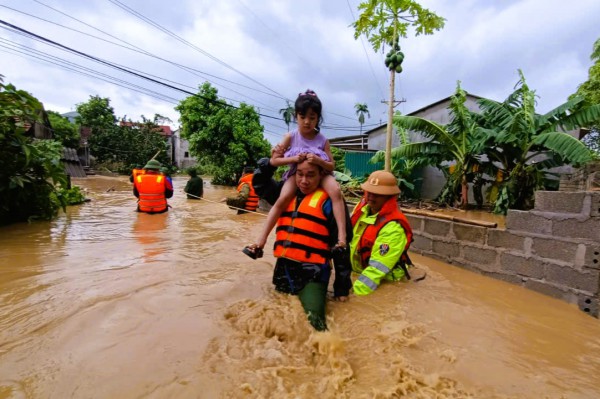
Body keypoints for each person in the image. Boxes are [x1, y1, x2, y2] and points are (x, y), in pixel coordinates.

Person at [244, 159, 352, 331]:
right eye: (300, 174)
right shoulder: (284, 193)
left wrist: (341, 288)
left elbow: (342, 249)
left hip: (313, 272)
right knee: (277, 317)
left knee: (315, 324)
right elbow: (260, 183)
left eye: (311, 175)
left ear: (322, 175)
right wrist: (271, 163)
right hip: (284, 268)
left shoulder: (330, 202)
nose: (304, 181)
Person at [250, 89, 347, 254]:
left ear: (318, 119)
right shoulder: (290, 137)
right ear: (296, 116)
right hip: (297, 173)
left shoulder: (323, 140)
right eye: (303, 117)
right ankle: (260, 241)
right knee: (283, 199)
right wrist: (294, 159)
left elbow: (331, 166)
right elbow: (274, 161)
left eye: (312, 118)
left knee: (336, 191)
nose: (307, 122)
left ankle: (342, 239)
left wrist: (318, 161)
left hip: (320, 175)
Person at [349, 170, 418, 296]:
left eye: (377, 194)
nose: (370, 197)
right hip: (359, 271)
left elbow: (375, 271)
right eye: (369, 192)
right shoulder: (363, 208)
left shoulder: (393, 229)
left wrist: (353, 295)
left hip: (385, 282)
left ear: (390, 197)